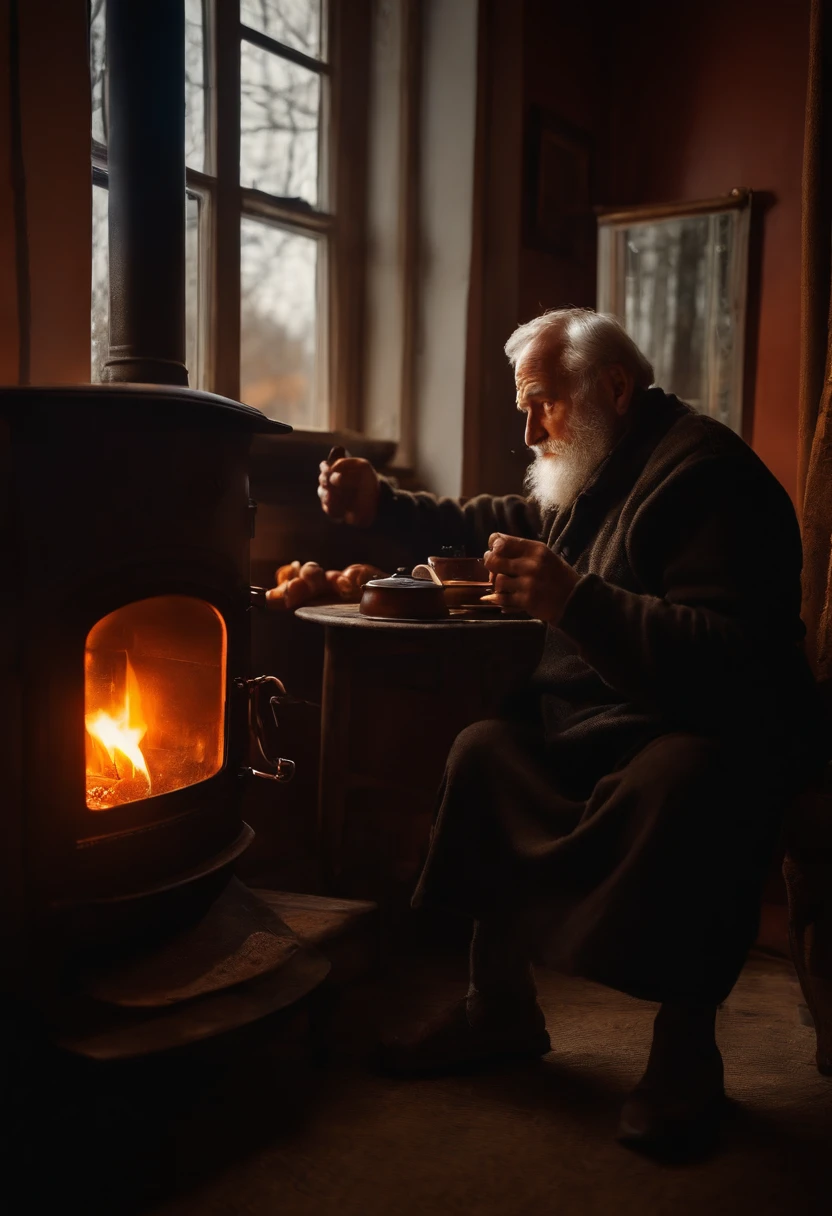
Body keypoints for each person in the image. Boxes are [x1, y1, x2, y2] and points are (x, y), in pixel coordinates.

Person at [316, 308, 825, 1153]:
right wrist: (384, 505)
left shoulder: (706, 477)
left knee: (689, 785)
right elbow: (493, 514)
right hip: (590, 727)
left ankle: (687, 1051)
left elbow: (734, 660)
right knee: (483, 751)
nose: (528, 426)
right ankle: (498, 1006)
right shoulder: (599, 464)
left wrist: (573, 601)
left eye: (542, 404)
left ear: (613, 389)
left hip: (691, 730)